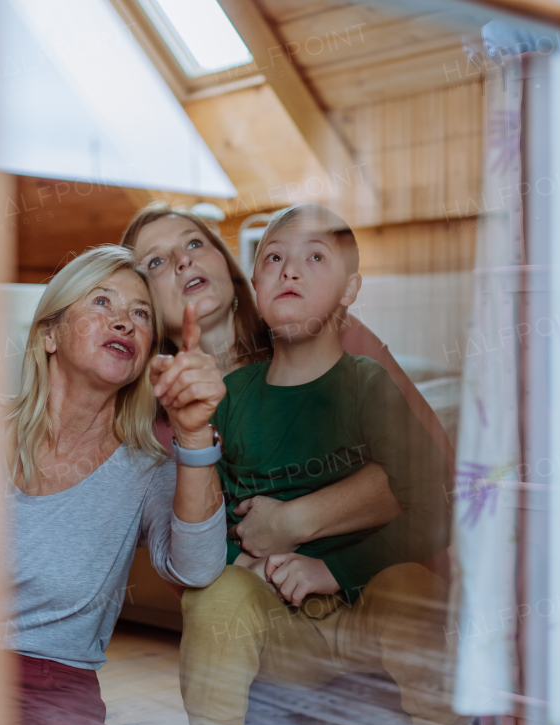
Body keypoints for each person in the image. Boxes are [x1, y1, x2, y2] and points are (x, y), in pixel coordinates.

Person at [154, 205, 486, 725]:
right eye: (274, 257)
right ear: (255, 281)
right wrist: (237, 560)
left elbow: (432, 503)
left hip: (369, 615)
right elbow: (217, 510)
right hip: (280, 627)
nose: (290, 270)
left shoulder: (367, 384)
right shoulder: (235, 394)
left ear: (351, 289)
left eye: (315, 258)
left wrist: (334, 567)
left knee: (414, 589)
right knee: (215, 597)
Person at [0, 245, 228, 725]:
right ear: (50, 335)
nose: (126, 321)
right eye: (103, 303)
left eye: (141, 315)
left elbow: (198, 568)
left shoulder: (148, 469)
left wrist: (195, 433)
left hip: (52, 686)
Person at [121, 203, 453, 579]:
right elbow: (191, 564)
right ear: (142, 305)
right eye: (155, 262)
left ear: (233, 270)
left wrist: (294, 520)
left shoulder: (329, 328)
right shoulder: (157, 433)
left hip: (386, 582)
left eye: (194, 243)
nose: (182, 260)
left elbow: (436, 469)